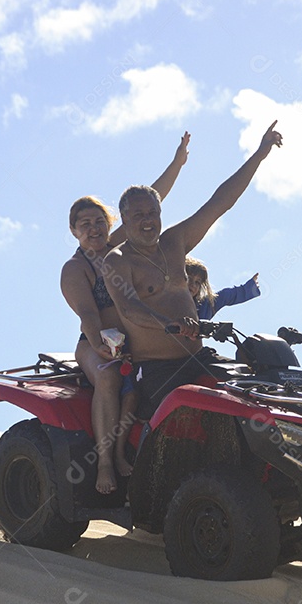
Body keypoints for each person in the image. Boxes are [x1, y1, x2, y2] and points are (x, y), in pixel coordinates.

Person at [104, 121, 283, 420]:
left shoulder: (174, 241)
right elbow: (129, 308)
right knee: (188, 422)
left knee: (257, 393)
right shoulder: (117, 259)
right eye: (138, 215)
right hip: (157, 368)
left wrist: (260, 154)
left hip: (198, 357)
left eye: (153, 213)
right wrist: (170, 323)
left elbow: (220, 203)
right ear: (124, 218)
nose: (147, 220)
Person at [61, 132, 190, 494]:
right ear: (74, 231)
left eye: (99, 221)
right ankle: (105, 462)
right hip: (95, 343)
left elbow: (152, 198)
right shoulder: (75, 268)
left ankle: (135, 452)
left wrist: (178, 162)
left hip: (132, 340)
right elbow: (88, 316)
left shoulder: (119, 248)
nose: (93, 229)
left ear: (110, 223)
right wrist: (100, 346)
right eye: (84, 224)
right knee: (108, 379)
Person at [185, 257, 260, 320]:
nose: (192, 284)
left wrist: (250, 288)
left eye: (197, 282)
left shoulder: (205, 306)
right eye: (189, 278)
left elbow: (225, 296)